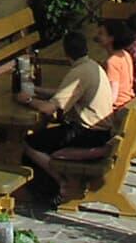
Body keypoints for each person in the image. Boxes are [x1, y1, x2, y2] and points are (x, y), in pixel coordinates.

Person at [16, 31, 114, 198]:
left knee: (28, 143)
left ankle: (62, 181)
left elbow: (48, 109)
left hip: (87, 134)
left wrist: (27, 100)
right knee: (45, 135)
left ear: (66, 53)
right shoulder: (92, 66)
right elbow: (66, 93)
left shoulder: (79, 72)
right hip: (102, 132)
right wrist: (38, 90)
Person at [95, 19, 135, 110]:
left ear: (111, 38)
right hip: (128, 100)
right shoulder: (125, 54)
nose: (97, 37)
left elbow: (113, 94)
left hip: (117, 106)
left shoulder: (112, 61)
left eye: (101, 34)